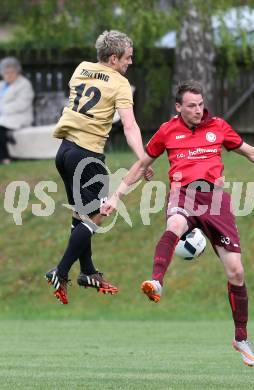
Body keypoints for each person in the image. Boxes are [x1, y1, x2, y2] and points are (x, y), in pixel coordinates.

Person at [101, 80, 254, 367]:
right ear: (178, 107)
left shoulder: (218, 127)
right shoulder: (167, 131)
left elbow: (251, 152)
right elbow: (141, 165)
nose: (198, 110)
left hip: (216, 201)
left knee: (236, 271)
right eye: (191, 106)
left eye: (200, 104)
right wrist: (116, 197)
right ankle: (156, 282)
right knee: (174, 223)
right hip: (182, 193)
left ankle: (241, 338)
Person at [45, 30, 152, 305]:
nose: (131, 62)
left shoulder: (81, 68)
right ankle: (61, 270)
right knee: (98, 215)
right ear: (114, 58)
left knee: (81, 217)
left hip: (64, 152)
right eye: (128, 57)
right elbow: (129, 126)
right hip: (87, 157)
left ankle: (88, 271)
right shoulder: (120, 83)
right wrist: (143, 157)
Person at [0, 57, 34, 164]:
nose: (9, 75)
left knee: (0, 128)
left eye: (12, 72)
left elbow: (22, 104)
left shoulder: (24, 84)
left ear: (17, 72)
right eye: (6, 72)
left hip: (19, 116)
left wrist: (2, 109)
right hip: (4, 116)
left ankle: (5, 158)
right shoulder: (1, 85)